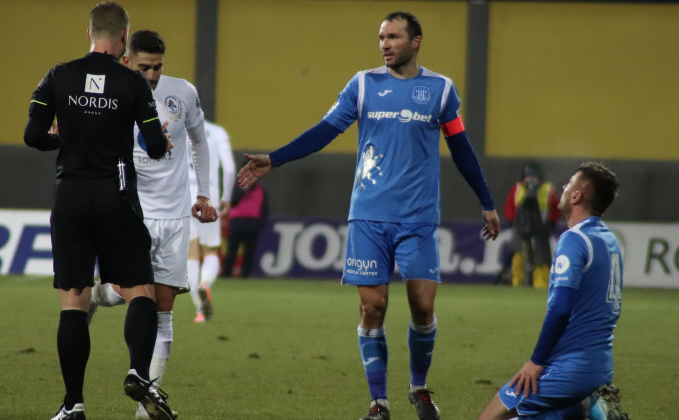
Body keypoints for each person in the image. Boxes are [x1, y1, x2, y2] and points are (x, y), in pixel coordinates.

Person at [237, 11, 500, 420]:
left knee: (423, 307)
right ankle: (379, 403)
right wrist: (275, 159)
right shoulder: (362, 85)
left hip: (417, 218)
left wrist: (486, 200)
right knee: (372, 308)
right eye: (381, 37)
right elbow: (325, 131)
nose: (384, 44)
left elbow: (462, 149)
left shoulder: (441, 90)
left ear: (416, 42)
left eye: (393, 37)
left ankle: (418, 388)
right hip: (368, 216)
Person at [23, 3, 177, 420]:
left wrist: (63, 138)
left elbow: (33, 135)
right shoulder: (132, 83)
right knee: (140, 290)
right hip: (116, 193)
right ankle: (138, 372)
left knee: (74, 299)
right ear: (124, 37)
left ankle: (72, 404)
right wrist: (161, 140)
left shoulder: (58, 75)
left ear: (89, 33)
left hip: (70, 194)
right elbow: (156, 146)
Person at [87, 30, 217, 419]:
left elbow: (199, 141)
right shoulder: (111, 94)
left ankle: (148, 405)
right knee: (134, 295)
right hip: (132, 212)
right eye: (145, 67)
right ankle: (98, 295)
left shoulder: (184, 93)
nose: (154, 74)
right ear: (126, 61)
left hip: (175, 215)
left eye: (158, 66)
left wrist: (204, 194)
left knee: (163, 308)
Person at [478, 162, 629, 420]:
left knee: (489, 417)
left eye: (569, 183)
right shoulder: (609, 240)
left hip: (569, 367)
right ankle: (584, 406)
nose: (563, 186)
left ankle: (585, 407)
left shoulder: (574, 239)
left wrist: (536, 362)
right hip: (600, 365)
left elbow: (560, 309)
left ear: (576, 196)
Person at [186, 120, 236, 322]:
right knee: (210, 250)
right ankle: (205, 283)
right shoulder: (217, 132)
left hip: (183, 197)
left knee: (190, 253)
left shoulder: (180, 128)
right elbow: (230, 169)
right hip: (208, 198)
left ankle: (200, 310)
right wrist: (227, 198)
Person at [504, 162, 560, 288]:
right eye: (529, 176)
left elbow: (555, 207)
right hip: (520, 226)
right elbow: (509, 207)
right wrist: (513, 221)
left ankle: (541, 285)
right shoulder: (518, 188)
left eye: (533, 176)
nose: (531, 179)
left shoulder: (547, 189)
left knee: (541, 258)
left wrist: (551, 222)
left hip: (540, 227)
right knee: (518, 256)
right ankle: (516, 284)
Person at [220, 182, 269, 278]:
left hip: (253, 225)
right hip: (237, 224)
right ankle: (226, 274)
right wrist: (242, 190)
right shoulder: (237, 190)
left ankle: (245, 275)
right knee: (232, 251)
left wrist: (260, 223)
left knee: (249, 253)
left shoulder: (260, 191)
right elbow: (233, 202)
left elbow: (265, 209)